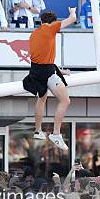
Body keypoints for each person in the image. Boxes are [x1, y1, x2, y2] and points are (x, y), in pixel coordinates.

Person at [23, 8, 77, 151]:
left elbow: (43, 56)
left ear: (40, 21)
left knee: (42, 99)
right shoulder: (50, 28)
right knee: (65, 100)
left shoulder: (34, 33)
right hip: (47, 72)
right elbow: (72, 19)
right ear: (52, 22)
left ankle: (38, 130)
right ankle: (56, 133)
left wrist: (60, 70)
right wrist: (72, 12)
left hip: (35, 71)